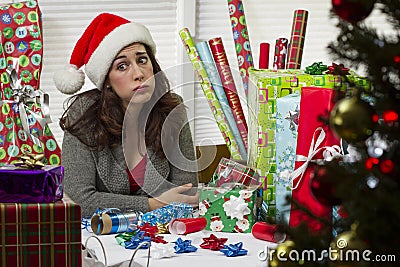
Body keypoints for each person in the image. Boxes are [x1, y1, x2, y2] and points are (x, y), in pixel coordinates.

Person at [53, 13, 199, 217]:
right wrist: (152, 204)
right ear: (106, 81)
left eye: (142, 60)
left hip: (163, 233)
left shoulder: (172, 109)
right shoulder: (83, 115)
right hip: (99, 237)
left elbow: (186, 192)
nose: (139, 73)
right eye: (122, 66)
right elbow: (81, 201)